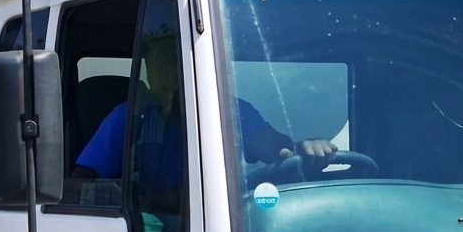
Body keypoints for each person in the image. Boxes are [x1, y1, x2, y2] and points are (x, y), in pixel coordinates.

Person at [72, 33, 338, 185]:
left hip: (223, 230)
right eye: (165, 72)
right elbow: (81, 185)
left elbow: (273, 145)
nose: (175, 95)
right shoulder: (131, 117)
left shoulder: (233, 111)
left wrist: (304, 147)